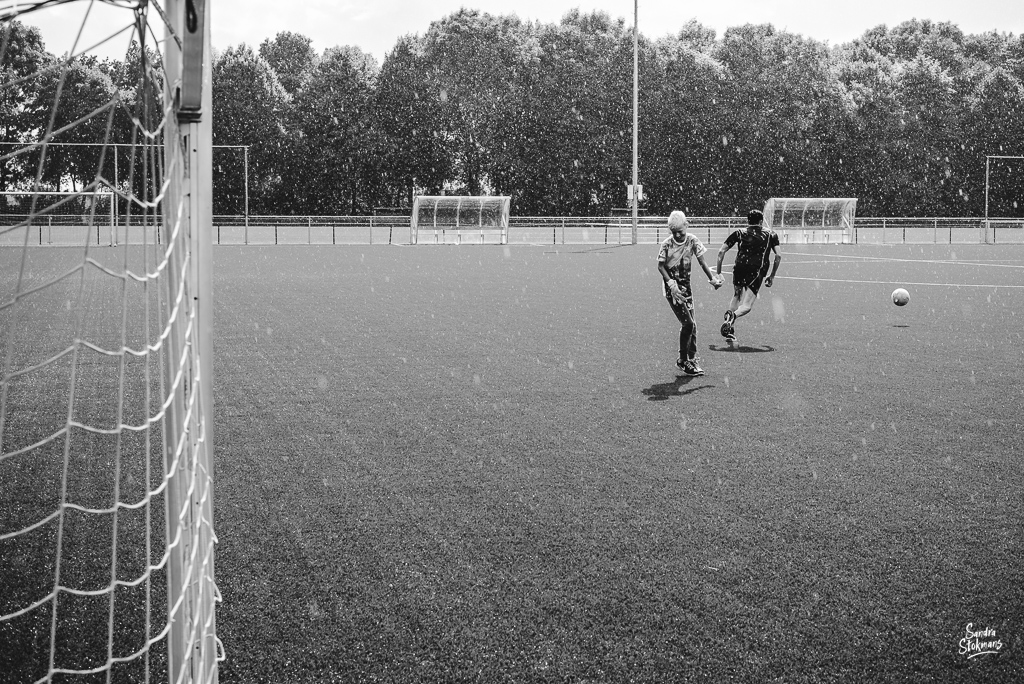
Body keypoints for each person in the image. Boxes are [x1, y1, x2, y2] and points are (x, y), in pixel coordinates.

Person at [658, 210, 723, 376]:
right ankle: (682, 360)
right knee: (688, 324)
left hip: (686, 289)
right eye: (674, 232)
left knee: (692, 325)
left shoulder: (692, 240)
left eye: (681, 231)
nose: (678, 235)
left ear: (687, 225)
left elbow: (702, 262)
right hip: (674, 291)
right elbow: (660, 266)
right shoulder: (666, 244)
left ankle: (692, 359)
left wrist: (712, 279)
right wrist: (671, 284)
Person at [715, 208, 782, 347]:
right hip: (756, 270)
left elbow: (721, 251)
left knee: (737, 295)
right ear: (761, 221)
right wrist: (772, 275)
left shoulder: (739, 233)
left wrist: (719, 272)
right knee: (746, 305)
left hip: (739, 267)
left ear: (748, 221)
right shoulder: (771, 235)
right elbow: (778, 255)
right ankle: (732, 317)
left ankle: (730, 327)